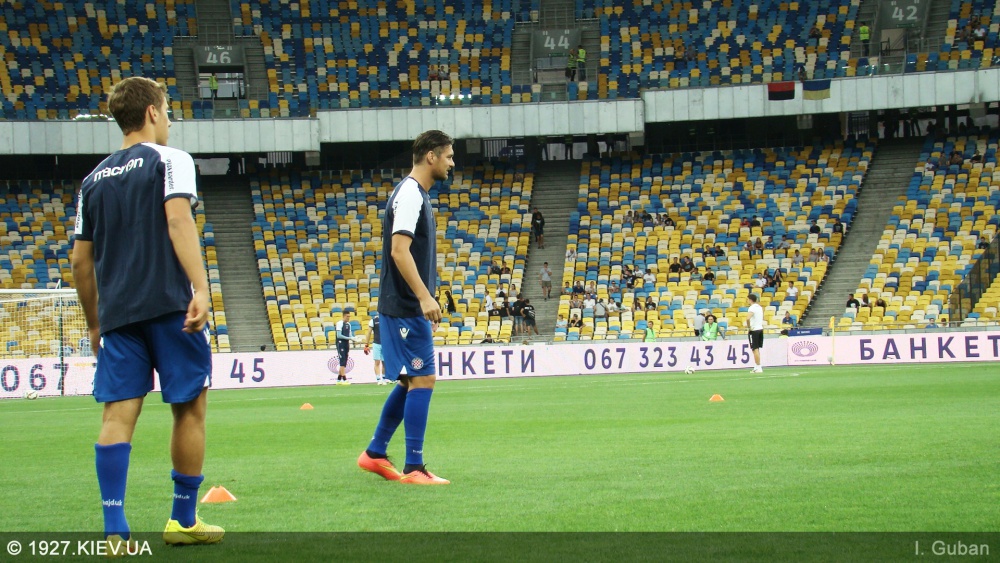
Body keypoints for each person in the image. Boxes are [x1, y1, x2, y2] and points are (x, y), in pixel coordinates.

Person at [71, 76, 223, 546]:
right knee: (189, 408)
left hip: (118, 314)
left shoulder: (91, 181)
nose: (170, 122)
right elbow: (178, 218)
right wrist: (201, 287)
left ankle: (114, 527)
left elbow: (80, 262)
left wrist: (94, 323)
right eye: (168, 111)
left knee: (117, 415)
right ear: (153, 111)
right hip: (171, 304)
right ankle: (182, 521)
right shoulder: (170, 159)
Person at [358, 130, 454, 485]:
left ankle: (375, 453)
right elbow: (399, 251)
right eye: (448, 156)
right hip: (405, 306)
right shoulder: (411, 194)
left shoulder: (413, 193)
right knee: (423, 378)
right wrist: (424, 298)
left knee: (409, 380)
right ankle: (414, 467)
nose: (452, 163)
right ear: (431, 156)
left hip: (403, 304)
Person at [335, 309, 363, 384]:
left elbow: (350, 335)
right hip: (340, 343)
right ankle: (344, 379)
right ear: (344, 316)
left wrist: (354, 338)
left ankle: (338, 379)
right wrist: (349, 338)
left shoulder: (349, 324)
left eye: (349, 316)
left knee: (345, 360)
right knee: (342, 360)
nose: (348, 318)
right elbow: (339, 335)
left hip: (346, 343)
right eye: (347, 316)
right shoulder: (339, 323)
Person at [365, 312, 387, 385]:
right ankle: (378, 379)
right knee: (377, 362)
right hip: (376, 343)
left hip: (384, 344)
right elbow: (369, 332)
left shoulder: (385, 320)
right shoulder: (373, 321)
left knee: (384, 362)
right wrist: (366, 344)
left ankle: (383, 379)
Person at [745, 294, 764, 373]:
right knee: (757, 349)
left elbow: (747, 318)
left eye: (747, 299)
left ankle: (758, 367)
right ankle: (757, 366)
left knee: (754, 349)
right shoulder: (759, 307)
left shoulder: (752, 308)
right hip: (760, 328)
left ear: (750, 300)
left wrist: (749, 327)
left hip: (754, 330)